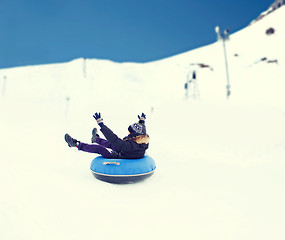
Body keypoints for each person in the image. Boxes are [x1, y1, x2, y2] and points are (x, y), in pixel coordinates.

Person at [64, 112, 149, 159]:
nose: (128, 133)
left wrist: (101, 125)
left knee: (100, 149)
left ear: (133, 135)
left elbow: (114, 139)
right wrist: (142, 121)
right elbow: (142, 131)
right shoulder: (143, 140)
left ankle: (76, 144)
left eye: (129, 132)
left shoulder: (129, 145)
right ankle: (96, 139)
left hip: (121, 158)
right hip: (127, 153)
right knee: (111, 145)